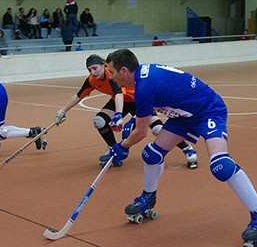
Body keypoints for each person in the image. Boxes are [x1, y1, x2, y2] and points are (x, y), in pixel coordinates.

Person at [104, 49, 257, 247]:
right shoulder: (143, 77)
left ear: (124, 70)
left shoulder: (144, 87)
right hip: (184, 116)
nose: (112, 77)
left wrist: (121, 147)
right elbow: (145, 119)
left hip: (209, 110)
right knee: (152, 154)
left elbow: (141, 132)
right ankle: (148, 197)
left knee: (221, 165)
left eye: (112, 72)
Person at [55, 54, 198, 168]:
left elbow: (118, 93)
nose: (92, 72)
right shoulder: (91, 79)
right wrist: (63, 110)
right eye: (89, 70)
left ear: (103, 65)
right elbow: (79, 95)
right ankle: (114, 151)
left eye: (95, 68)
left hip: (138, 100)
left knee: (157, 130)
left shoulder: (111, 74)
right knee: (99, 121)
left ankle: (187, 148)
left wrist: (118, 115)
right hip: (121, 102)